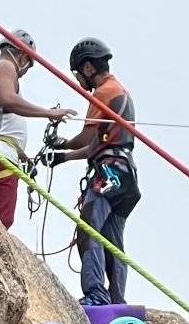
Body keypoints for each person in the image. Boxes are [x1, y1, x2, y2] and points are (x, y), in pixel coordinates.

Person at [53, 38, 140, 306]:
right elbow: (96, 146)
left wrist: (64, 145)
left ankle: (96, 294)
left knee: (89, 230)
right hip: (125, 172)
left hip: (108, 173)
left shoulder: (102, 92)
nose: (79, 80)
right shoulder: (121, 91)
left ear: (88, 68)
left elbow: (86, 138)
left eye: (78, 73)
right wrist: (63, 157)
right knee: (113, 241)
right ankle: (117, 300)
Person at [0, 30, 74, 230]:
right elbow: (9, 100)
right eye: (29, 66)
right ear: (23, 57)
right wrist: (48, 113)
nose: (24, 72)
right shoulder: (5, 66)